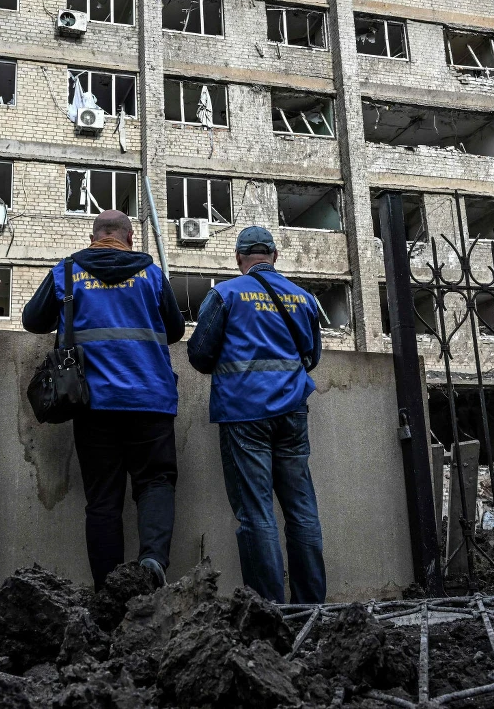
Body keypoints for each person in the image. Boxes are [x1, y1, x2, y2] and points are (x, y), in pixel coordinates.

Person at [22, 209, 185, 589]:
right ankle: (152, 562)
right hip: (150, 399)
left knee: (102, 499)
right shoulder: (151, 274)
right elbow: (175, 331)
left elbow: (33, 320)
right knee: (155, 482)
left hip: (91, 403)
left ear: (93, 237)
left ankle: (109, 590)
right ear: (129, 238)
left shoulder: (67, 272)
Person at [186, 226, 326, 605]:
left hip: (244, 413)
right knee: (301, 509)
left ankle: (269, 609)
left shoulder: (225, 294)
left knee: (256, 512)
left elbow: (199, 355)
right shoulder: (304, 298)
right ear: (274, 256)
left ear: (238, 259)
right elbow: (312, 358)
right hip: (293, 412)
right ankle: (311, 606)